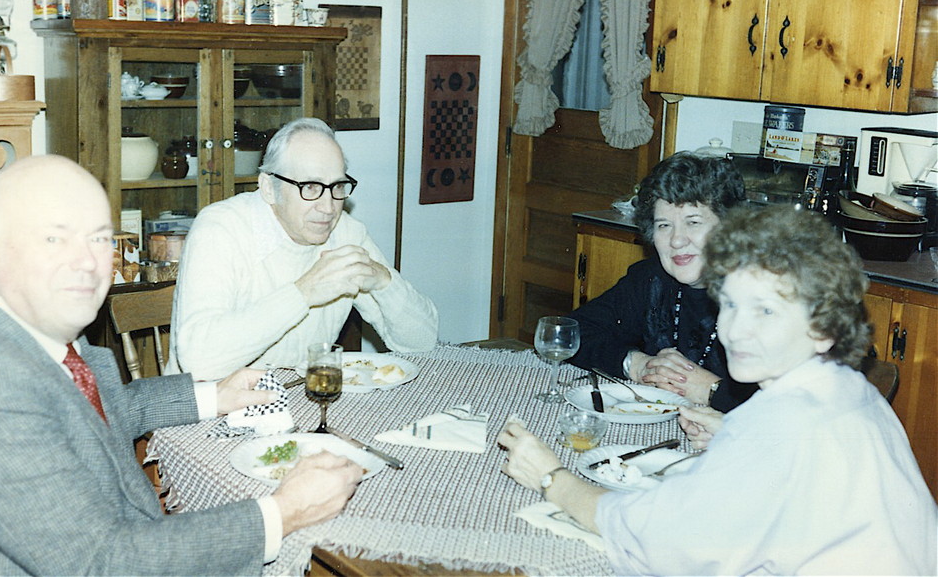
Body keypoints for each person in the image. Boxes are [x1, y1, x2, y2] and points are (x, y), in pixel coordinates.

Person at [0, 155, 363, 575]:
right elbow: (104, 563)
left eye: (99, 238)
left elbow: (92, 413)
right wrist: (282, 513)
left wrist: (212, 394)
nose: (87, 262)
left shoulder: (21, 321)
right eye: (53, 238)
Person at [498, 206, 937, 575]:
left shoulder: (779, 422)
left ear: (823, 327)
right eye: (729, 304)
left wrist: (551, 477)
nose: (737, 330)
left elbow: (657, 536)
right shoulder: (843, 387)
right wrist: (733, 430)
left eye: (766, 310)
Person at [167, 117, 438, 380]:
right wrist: (303, 292)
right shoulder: (220, 229)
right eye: (310, 187)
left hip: (300, 402)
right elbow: (198, 363)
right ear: (269, 189)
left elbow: (423, 342)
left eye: (337, 186)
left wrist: (384, 281)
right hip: (208, 411)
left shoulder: (346, 233)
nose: (328, 207)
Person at [568, 153, 757, 411]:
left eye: (693, 222)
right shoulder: (651, 279)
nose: (677, 240)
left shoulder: (765, 294)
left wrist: (712, 391)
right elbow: (571, 332)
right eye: (664, 225)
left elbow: (798, 406)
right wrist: (637, 364)